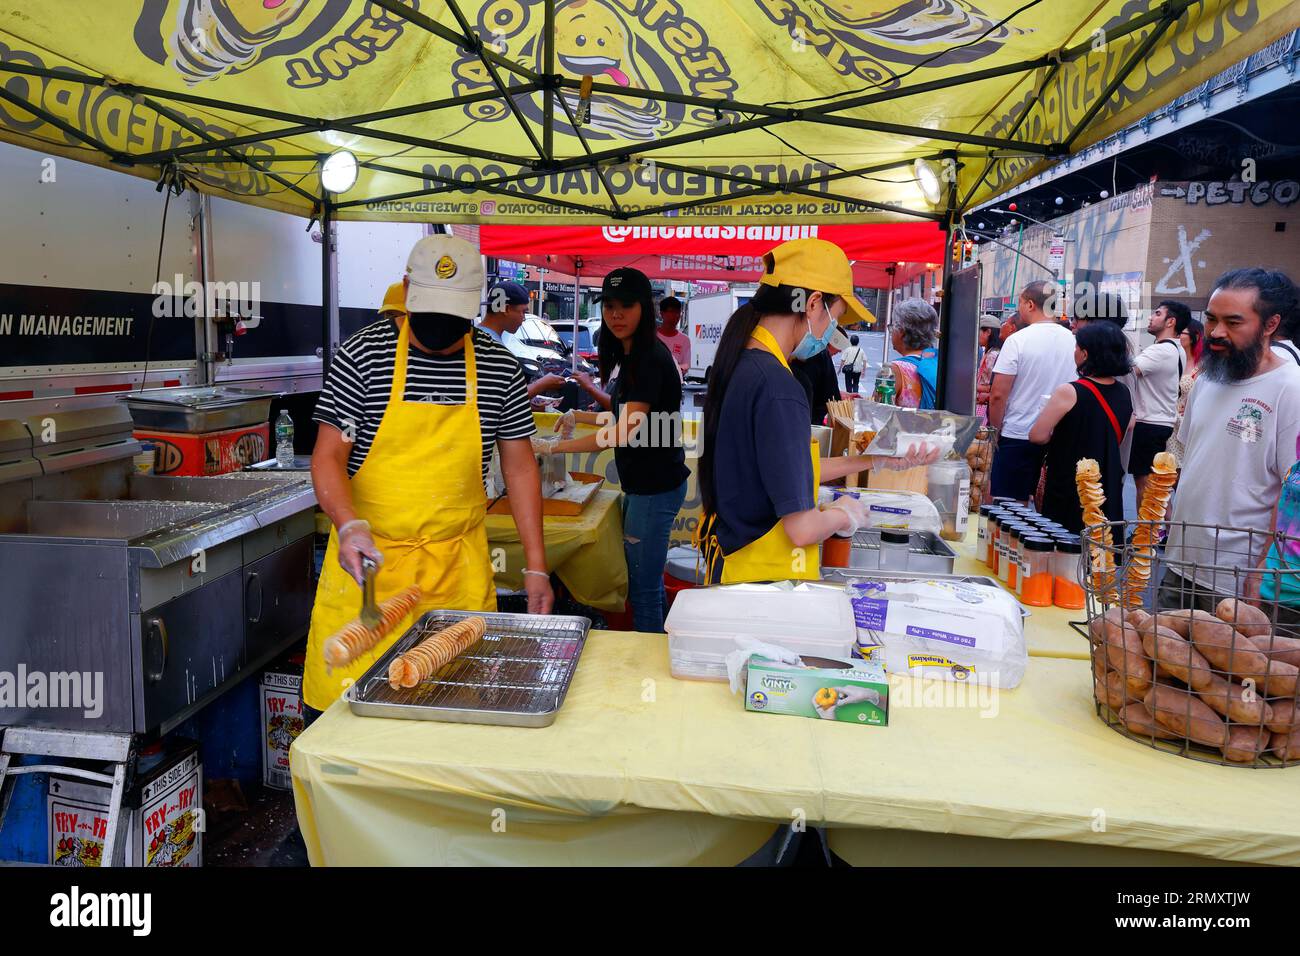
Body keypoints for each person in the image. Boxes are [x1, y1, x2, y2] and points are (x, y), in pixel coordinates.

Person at [303, 235, 553, 724]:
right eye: (431, 314)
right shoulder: (362, 357)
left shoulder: (498, 366)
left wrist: (537, 566)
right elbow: (328, 455)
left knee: (452, 722)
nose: (442, 330)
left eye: (455, 319)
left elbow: (521, 467)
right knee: (347, 730)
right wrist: (348, 523)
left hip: (456, 574)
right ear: (406, 292)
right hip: (369, 576)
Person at [697, 238, 935, 584]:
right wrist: (842, 514)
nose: (831, 335)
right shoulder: (779, 387)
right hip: (764, 584)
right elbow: (802, 528)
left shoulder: (743, 365)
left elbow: (785, 470)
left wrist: (875, 459)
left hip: (735, 569)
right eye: (835, 319)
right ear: (812, 304)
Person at [540, 268, 688, 633]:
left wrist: (556, 447)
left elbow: (625, 431)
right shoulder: (634, 355)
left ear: (644, 308)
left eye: (626, 306)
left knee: (645, 589)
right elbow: (625, 418)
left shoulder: (650, 357)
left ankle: (647, 667)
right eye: (608, 306)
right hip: (646, 486)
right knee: (643, 583)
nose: (616, 314)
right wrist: (577, 415)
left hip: (655, 488)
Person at [1163, 268, 1300, 606]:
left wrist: (1262, 572)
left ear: (1269, 325)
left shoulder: (1290, 388)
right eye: (1211, 319)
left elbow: (1291, 492)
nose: (1216, 332)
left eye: (1234, 322)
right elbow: (1192, 455)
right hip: (1179, 566)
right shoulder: (1208, 378)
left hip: (1237, 581)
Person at [1029, 322, 1134, 533]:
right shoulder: (1124, 392)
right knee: (1099, 545)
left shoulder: (1069, 391)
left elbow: (1037, 436)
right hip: (1106, 484)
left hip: (1070, 482)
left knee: (1064, 545)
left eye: (1077, 347)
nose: (1074, 351)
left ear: (1085, 354)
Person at [988, 280, 1078, 501]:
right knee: (1047, 507)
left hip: (1017, 433)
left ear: (1029, 305)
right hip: (1060, 435)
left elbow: (998, 394)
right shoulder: (1075, 341)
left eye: (1019, 303)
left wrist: (995, 430)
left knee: (1009, 508)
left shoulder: (1017, 340)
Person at [1128, 300, 1190, 502]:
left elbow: (1128, 373)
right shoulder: (1176, 349)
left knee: (1145, 485)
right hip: (1160, 422)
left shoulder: (1160, 351)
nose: (1150, 317)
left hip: (1149, 423)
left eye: (1157, 314)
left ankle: (1146, 532)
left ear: (1170, 321)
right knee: (1153, 486)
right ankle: (1159, 530)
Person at [480, 280, 569, 400]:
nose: (524, 318)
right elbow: (503, 398)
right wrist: (541, 384)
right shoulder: (492, 347)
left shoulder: (478, 337)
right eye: (523, 312)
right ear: (506, 309)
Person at [886, 298, 940, 409]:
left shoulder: (895, 370)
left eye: (892, 327)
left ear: (901, 331)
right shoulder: (940, 362)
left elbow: (876, 415)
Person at [1166, 316, 1203, 462]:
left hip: (1185, 422)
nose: (1177, 335)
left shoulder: (1203, 365)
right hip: (1168, 420)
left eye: (1181, 332)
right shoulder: (1172, 357)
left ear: (1195, 336)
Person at [791, 343, 844, 425]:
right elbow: (832, 394)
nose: (840, 351)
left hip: (797, 413)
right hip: (811, 417)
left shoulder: (796, 353)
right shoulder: (822, 354)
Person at [975, 315, 1002, 422]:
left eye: (979, 331)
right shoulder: (989, 352)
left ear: (988, 332)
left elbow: (993, 387)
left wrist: (973, 386)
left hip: (984, 406)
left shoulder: (992, 355)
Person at [656, 295, 691, 375]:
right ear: (662, 314)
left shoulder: (685, 340)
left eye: (678, 312)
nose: (676, 315)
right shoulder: (651, 337)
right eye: (672, 311)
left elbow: (686, 365)